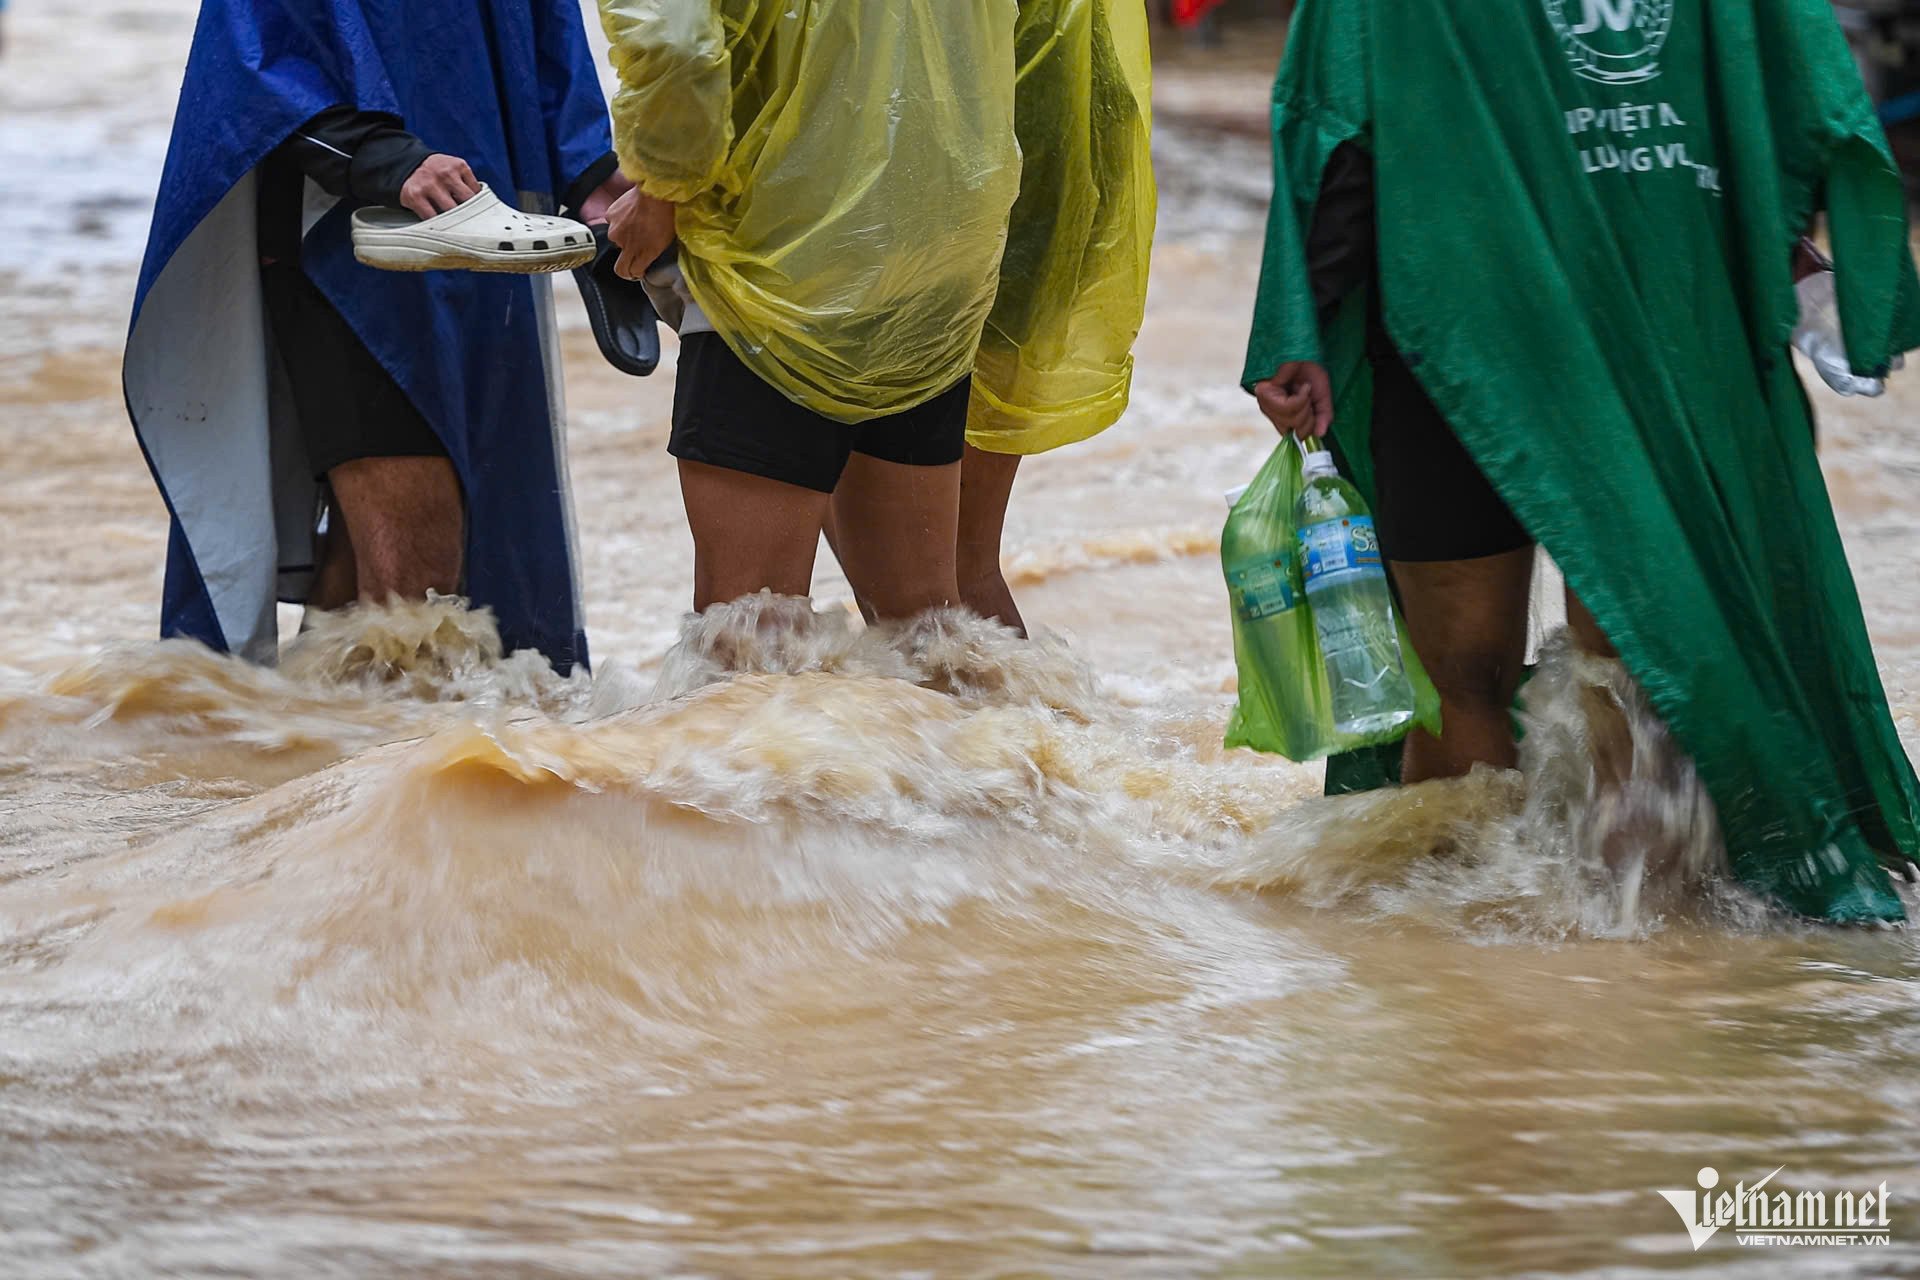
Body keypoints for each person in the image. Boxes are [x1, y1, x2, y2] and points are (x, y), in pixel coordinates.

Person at [1243, 0, 1920, 922]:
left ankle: (1446, 963)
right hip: (1658, 332)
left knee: (1464, 680)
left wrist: (1304, 321)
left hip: (1458, 330)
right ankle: (1640, 964)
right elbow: (1809, 103)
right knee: (1639, 667)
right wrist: (1823, 274)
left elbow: (1334, 118)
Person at [126, 0, 629, 670]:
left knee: (385, 579)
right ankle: (387, 759)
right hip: (346, 236)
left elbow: (535, 20)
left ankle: (310, 758)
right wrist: (376, 156)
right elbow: (256, 42)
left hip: (490, 220)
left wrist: (588, 169)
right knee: (418, 584)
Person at [595, 0, 1021, 623]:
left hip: (782, 263)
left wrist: (663, 187)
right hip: (938, 253)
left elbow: (676, 44)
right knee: (927, 633)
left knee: (746, 640)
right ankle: (1051, 725)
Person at [888, 0, 1158, 635]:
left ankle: (1019, 730)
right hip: (1062, 178)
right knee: (956, 572)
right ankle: (1037, 730)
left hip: (995, 192)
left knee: (939, 583)